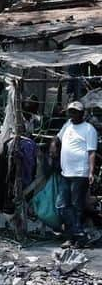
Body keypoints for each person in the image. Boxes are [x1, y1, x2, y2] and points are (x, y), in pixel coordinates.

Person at [51, 100, 98, 240]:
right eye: (70, 111)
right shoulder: (67, 126)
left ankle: (74, 236)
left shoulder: (89, 129)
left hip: (80, 173)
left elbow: (92, 152)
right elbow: (57, 138)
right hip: (66, 172)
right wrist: (53, 144)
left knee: (77, 205)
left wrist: (91, 172)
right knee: (61, 205)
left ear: (82, 114)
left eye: (75, 112)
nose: (72, 114)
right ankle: (76, 231)